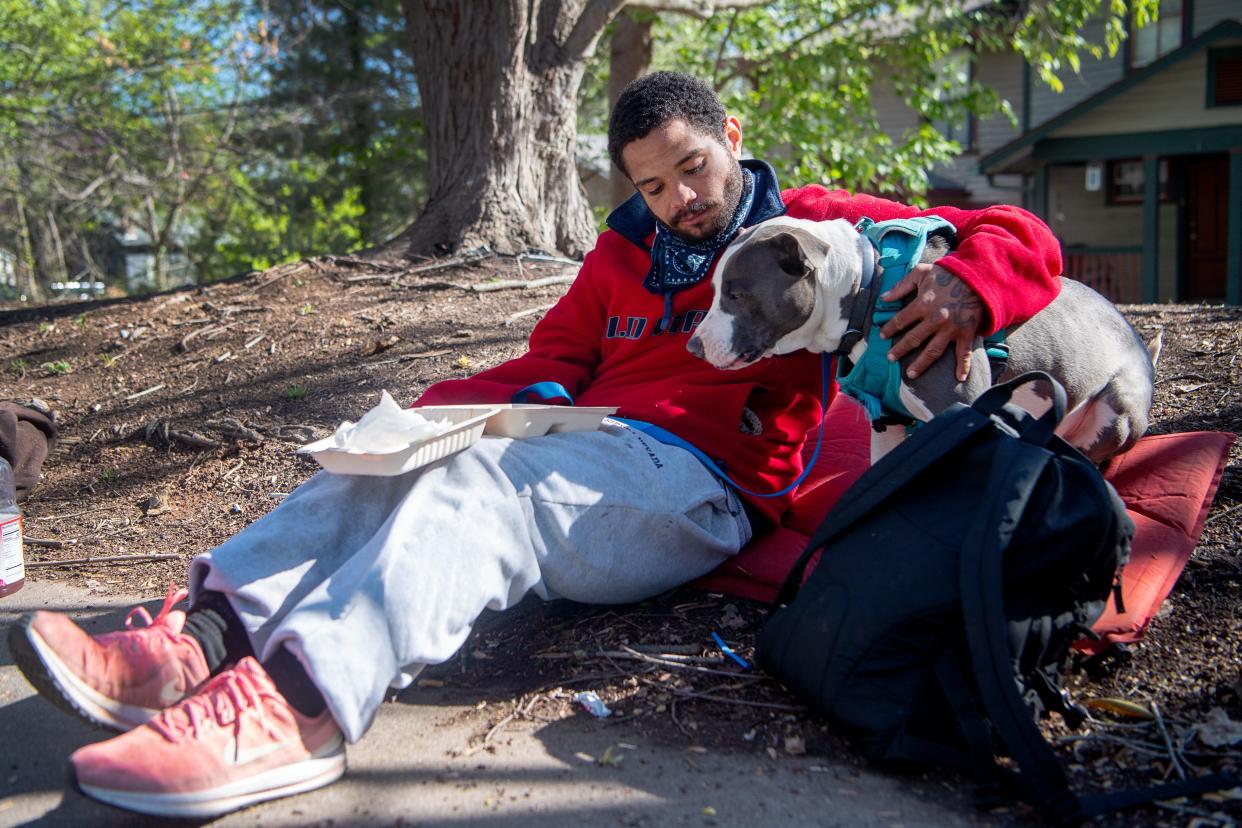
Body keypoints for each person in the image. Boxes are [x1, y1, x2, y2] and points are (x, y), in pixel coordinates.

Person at [8, 72, 1062, 818]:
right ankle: (197, 642)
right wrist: (425, 416)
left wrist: (974, 287)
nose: (679, 203)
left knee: (488, 489)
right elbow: (552, 357)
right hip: (589, 445)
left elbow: (1017, 239)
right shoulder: (621, 256)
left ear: (731, 137)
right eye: (653, 185)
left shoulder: (812, 229)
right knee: (418, 461)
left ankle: (302, 707)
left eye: (693, 170)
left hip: (697, 487)